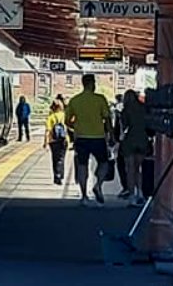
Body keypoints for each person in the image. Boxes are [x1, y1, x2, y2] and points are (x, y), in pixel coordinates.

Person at [65, 74, 113, 205]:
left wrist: (76, 128)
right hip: (98, 137)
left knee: (82, 166)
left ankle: (84, 196)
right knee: (104, 163)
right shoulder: (100, 99)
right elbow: (107, 118)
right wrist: (112, 135)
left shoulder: (75, 100)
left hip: (81, 138)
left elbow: (67, 121)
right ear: (92, 84)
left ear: (83, 83)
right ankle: (98, 185)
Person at [119, 89, 150, 206]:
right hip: (142, 139)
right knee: (138, 168)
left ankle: (132, 195)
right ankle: (140, 193)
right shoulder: (143, 108)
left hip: (129, 140)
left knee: (130, 169)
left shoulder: (125, 110)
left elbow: (124, 127)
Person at [44, 100, 69, 184]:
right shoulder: (64, 116)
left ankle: (56, 175)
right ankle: (60, 175)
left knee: (55, 158)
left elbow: (47, 130)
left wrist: (45, 142)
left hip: (53, 140)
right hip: (64, 140)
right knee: (61, 158)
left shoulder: (50, 117)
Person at [112, 94, 129, 194]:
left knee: (122, 165)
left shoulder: (120, 113)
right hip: (137, 141)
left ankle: (126, 187)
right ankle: (137, 191)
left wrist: (115, 140)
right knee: (134, 168)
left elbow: (117, 129)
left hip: (124, 142)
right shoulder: (139, 111)